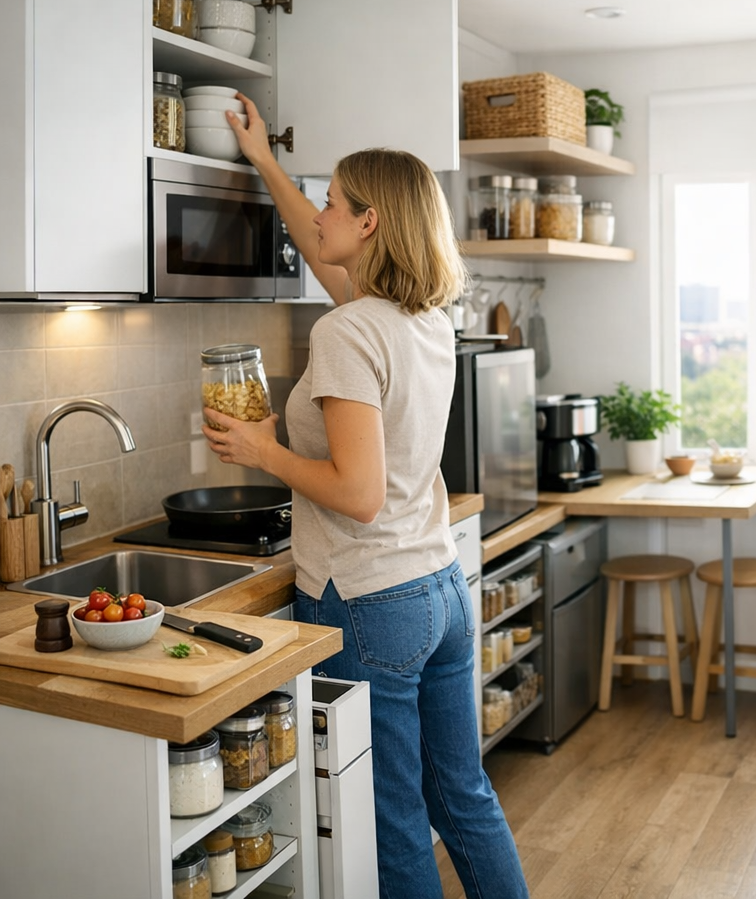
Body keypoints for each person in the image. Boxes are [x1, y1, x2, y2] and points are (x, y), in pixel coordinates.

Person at [203, 93, 530, 899]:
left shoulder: (347, 332)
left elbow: (357, 493)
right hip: (441, 589)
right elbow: (323, 253)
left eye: (333, 201)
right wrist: (264, 163)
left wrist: (260, 449)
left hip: (371, 601)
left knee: (393, 823)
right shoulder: (421, 317)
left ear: (371, 223)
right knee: (464, 798)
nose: (319, 211)